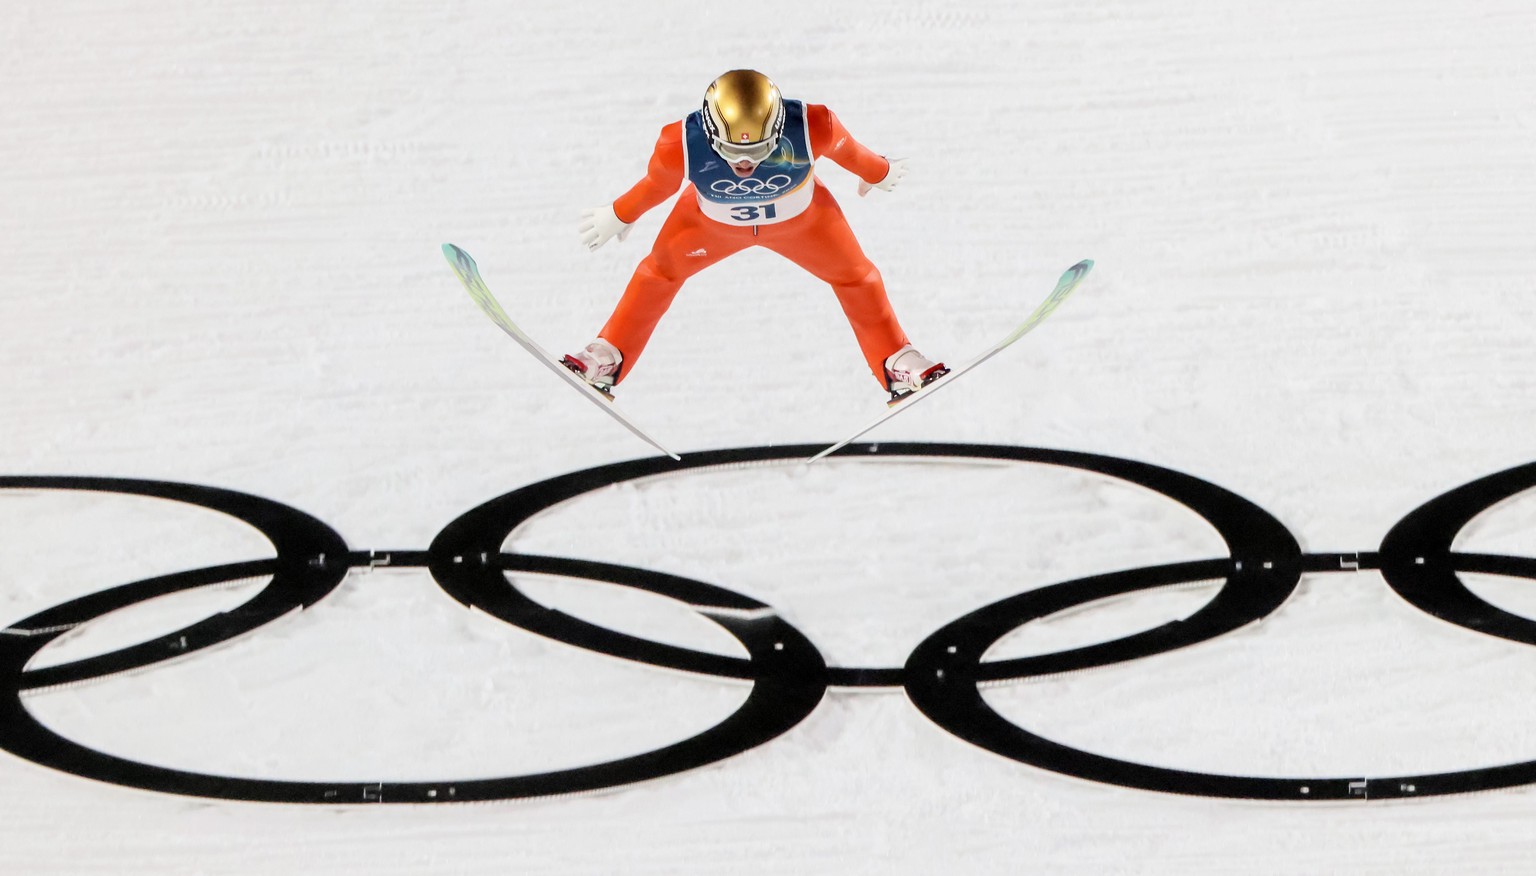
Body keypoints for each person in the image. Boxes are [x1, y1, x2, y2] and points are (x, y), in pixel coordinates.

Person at [564, 69, 945, 403]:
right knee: (657, 275)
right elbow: (656, 186)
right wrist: (618, 213)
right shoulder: (679, 142)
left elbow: (855, 155)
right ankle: (606, 355)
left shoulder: (815, 125)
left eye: (763, 149)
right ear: (711, 131)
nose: (745, 164)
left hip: (804, 224)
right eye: (731, 151)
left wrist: (879, 172)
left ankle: (897, 361)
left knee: (858, 277)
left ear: (778, 130)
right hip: (710, 226)